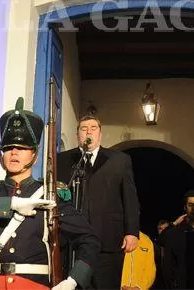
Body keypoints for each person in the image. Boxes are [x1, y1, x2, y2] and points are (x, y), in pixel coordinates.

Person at [0, 97, 98, 290]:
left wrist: (73, 280)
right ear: (1, 154)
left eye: (22, 148)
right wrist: (11, 204)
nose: (14, 153)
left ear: (35, 155)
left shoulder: (50, 196)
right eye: (8, 148)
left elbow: (89, 240)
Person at [56, 115, 140, 289]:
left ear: (100, 134)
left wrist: (132, 231)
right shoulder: (62, 160)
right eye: (84, 128)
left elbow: (130, 198)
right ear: (77, 134)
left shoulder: (119, 160)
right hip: (72, 242)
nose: (88, 131)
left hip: (108, 240)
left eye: (93, 128)